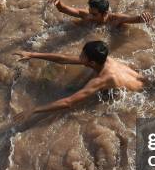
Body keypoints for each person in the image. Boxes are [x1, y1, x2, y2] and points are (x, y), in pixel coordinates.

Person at [13, 41, 144, 121]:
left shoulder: (101, 80)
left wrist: (35, 109)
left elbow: (68, 102)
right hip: (139, 80)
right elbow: (63, 59)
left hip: (138, 95)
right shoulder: (104, 59)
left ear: (91, 62)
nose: (79, 58)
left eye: (82, 56)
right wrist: (32, 55)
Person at [46, 0, 153, 27]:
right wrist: (58, 1)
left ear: (105, 13)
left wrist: (143, 16)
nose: (90, 15)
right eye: (89, 11)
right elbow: (63, 9)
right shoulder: (86, 14)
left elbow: (135, 19)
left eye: (94, 14)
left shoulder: (115, 19)